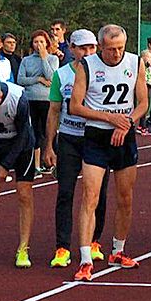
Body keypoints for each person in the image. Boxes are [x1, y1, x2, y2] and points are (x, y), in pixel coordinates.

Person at [69, 24, 149, 281]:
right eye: (111, 49)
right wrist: (109, 118)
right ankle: (84, 259)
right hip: (96, 136)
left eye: (120, 48)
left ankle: (118, 250)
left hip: (124, 135)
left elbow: (143, 103)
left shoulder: (136, 63)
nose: (116, 54)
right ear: (101, 47)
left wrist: (125, 122)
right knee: (90, 197)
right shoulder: (87, 66)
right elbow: (75, 107)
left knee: (125, 197)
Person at [44, 29, 110, 268]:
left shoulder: (105, 72)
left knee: (98, 193)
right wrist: (49, 145)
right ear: (71, 48)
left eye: (92, 47)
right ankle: (62, 247)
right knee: (66, 192)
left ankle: (94, 241)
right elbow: (53, 111)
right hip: (69, 139)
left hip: (96, 139)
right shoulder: (61, 75)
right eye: (82, 48)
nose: (88, 52)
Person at [0, 79, 36, 267]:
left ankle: (23, 248)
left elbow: (23, 136)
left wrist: (5, 166)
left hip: (22, 145)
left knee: (24, 194)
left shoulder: (18, 98)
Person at [17, 30, 59, 175]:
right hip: (30, 100)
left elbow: (52, 77)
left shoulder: (53, 59)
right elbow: (21, 79)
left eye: (41, 41)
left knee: (49, 130)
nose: (38, 45)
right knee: (34, 132)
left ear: (47, 43)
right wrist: (38, 79)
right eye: (36, 42)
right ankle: (35, 165)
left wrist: (43, 58)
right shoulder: (26, 60)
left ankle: (51, 162)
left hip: (47, 100)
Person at [137, 49, 151, 136]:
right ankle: (143, 126)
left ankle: (141, 125)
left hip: (149, 86)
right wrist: (146, 61)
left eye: (150, 57)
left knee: (147, 106)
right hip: (145, 86)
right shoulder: (143, 66)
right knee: (144, 105)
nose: (149, 59)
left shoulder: (149, 67)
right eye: (147, 57)